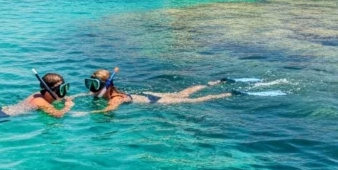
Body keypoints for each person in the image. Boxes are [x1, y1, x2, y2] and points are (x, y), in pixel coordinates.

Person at [85, 69, 235, 114]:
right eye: (91, 84)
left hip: (153, 101)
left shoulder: (115, 99)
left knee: (190, 100)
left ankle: (228, 93)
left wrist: (85, 113)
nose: (92, 88)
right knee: (182, 93)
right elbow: (89, 94)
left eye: (95, 84)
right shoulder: (105, 92)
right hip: (144, 96)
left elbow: (108, 110)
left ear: (106, 86)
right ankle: (215, 82)